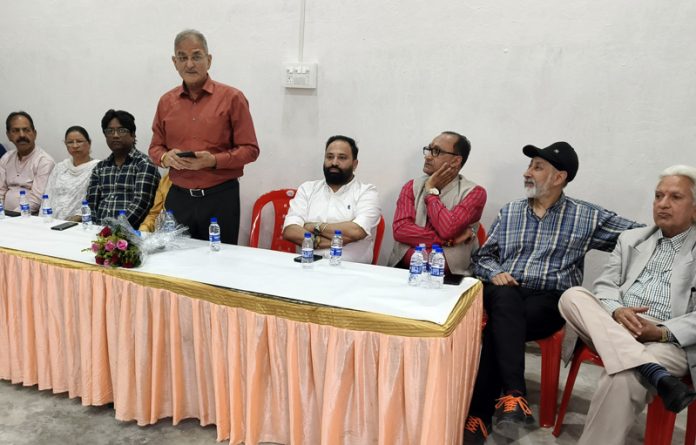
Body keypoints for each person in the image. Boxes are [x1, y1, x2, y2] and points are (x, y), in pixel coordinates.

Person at [464, 141, 643, 444]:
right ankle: (512, 393)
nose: (527, 173)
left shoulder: (587, 216)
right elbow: (482, 257)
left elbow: (640, 236)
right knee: (504, 301)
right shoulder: (510, 212)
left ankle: (480, 415)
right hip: (505, 289)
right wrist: (496, 272)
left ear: (559, 177)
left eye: (537, 167)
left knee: (501, 325)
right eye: (529, 166)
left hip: (549, 300)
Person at [558, 165, 696, 445]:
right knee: (572, 295)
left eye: (675, 197)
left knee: (622, 378)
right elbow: (605, 286)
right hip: (614, 322)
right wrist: (617, 311)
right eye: (658, 196)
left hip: (668, 339)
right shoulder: (632, 238)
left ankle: (644, 366)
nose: (663, 204)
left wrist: (659, 333)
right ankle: (652, 370)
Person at [149, 29, 259, 244]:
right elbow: (155, 148)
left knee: (219, 264)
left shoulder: (232, 98)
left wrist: (213, 161)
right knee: (177, 265)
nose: (189, 64)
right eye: (183, 57)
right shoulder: (166, 102)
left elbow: (250, 149)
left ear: (209, 60)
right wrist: (165, 158)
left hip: (220, 198)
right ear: (174, 62)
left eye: (196, 56)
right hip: (178, 197)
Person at [387, 131, 486, 274]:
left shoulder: (474, 193)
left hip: (449, 277)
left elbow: (448, 229)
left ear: (456, 160)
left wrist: (431, 192)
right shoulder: (411, 186)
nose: (427, 156)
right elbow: (400, 230)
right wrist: (448, 241)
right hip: (403, 270)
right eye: (429, 150)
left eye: (436, 151)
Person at [282, 135, 381, 263]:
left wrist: (314, 227)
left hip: (351, 272)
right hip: (308, 266)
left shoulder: (367, 192)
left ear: (355, 164)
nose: (334, 162)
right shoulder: (307, 189)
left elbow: (356, 231)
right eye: (329, 157)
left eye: (342, 158)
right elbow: (290, 231)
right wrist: (326, 240)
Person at [86, 109, 160, 228]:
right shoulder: (100, 168)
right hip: (98, 231)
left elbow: (141, 204)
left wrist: (115, 230)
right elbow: (91, 204)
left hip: (131, 235)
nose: (115, 135)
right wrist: (93, 229)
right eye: (110, 131)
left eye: (121, 130)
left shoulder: (144, 164)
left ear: (133, 135)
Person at [0, 111, 55, 213]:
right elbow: (0, 191)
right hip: (4, 216)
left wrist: (12, 216)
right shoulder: (6, 158)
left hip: (30, 216)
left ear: (34, 133)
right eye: (16, 130)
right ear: (8, 135)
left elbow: (36, 200)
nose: (22, 135)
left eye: (26, 130)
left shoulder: (44, 161)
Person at [44, 126, 100, 220]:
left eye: (79, 141)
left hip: (80, 223)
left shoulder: (97, 168)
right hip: (51, 221)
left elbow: (95, 201)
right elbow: (48, 196)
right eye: (70, 142)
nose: (75, 146)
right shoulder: (60, 167)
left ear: (89, 143)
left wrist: (78, 217)